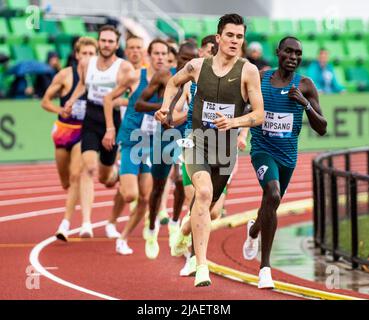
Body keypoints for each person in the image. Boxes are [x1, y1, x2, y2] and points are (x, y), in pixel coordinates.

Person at [155, 13, 264, 287]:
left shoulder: (248, 71)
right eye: (230, 35)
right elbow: (172, 83)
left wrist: (236, 122)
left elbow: (260, 114)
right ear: (218, 38)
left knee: (210, 206)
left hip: (225, 149)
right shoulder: (196, 66)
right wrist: (166, 107)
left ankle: (182, 231)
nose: (235, 41)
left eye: (239, 36)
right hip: (196, 140)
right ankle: (201, 265)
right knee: (202, 193)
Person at [243, 36, 327, 289]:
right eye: (288, 52)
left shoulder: (305, 84)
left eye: (298, 54)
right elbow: (242, 104)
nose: (293, 57)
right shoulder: (261, 78)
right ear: (278, 52)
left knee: (272, 202)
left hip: (288, 157)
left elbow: (322, 128)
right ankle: (265, 268)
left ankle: (254, 229)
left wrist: (305, 105)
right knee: (273, 192)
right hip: (261, 149)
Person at [64, 25, 135, 238]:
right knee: (88, 166)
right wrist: (71, 101)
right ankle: (86, 223)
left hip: (112, 119)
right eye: (103, 41)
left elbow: (135, 98)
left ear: (116, 44)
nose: (106, 45)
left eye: (110, 41)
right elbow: (83, 86)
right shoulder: (87, 63)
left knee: (104, 176)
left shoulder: (124, 68)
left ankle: (114, 174)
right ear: (98, 42)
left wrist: (115, 103)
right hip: (91, 117)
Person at [103, 39, 170, 255]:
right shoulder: (135, 77)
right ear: (148, 56)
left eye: (164, 54)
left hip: (152, 144)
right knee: (130, 195)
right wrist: (110, 128)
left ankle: (123, 238)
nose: (160, 57)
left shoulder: (171, 81)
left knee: (145, 197)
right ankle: (116, 174)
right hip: (132, 141)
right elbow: (108, 98)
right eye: (156, 53)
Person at [134, 41, 199, 259]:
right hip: (165, 135)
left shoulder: (202, 79)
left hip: (187, 135)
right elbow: (139, 104)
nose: (188, 63)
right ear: (176, 57)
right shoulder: (164, 76)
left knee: (182, 180)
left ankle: (174, 222)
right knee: (158, 186)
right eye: (183, 59)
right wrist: (164, 108)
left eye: (192, 59)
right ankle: (151, 227)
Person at [41, 37, 98, 241]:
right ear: (77, 55)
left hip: (85, 131)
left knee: (78, 174)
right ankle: (74, 215)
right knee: (66, 181)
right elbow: (45, 101)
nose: (88, 58)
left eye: (92, 54)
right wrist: (60, 109)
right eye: (84, 53)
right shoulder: (65, 75)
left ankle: (70, 223)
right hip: (64, 131)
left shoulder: (99, 78)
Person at [105, 35, 147, 238]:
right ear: (126, 50)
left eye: (139, 47)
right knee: (126, 188)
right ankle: (113, 220)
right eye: (131, 48)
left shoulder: (150, 73)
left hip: (147, 135)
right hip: (126, 134)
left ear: (144, 50)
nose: (135, 51)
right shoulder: (120, 70)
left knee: (141, 187)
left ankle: (146, 221)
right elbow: (109, 99)